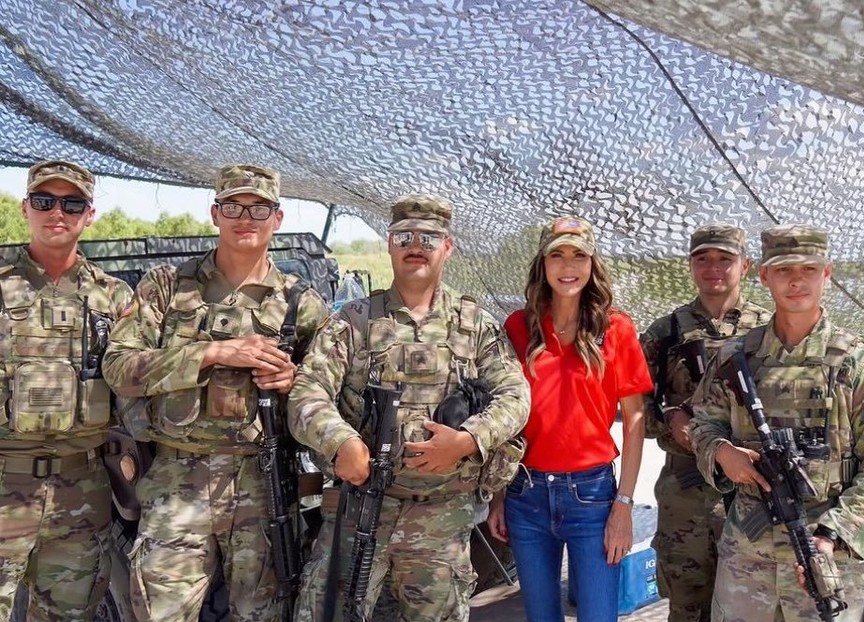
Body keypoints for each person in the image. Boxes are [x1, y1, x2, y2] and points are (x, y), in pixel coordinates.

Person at [102, 164, 329, 621]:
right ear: (215, 214)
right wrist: (212, 353)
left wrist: (293, 381)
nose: (245, 218)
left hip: (263, 481)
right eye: (233, 207)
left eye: (259, 208)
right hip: (176, 477)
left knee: (262, 612)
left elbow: (326, 389)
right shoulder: (167, 287)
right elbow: (119, 367)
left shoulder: (300, 303)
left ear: (277, 219)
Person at [288, 193, 530, 621]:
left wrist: (468, 440)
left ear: (447, 247)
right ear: (389, 244)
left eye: (429, 238)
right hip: (361, 507)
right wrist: (341, 441)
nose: (416, 246)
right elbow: (307, 392)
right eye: (404, 237)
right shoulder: (354, 321)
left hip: (442, 518)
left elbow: (516, 395)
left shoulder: (475, 325)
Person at [688, 224, 864, 621]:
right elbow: (702, 423)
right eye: (784, 269)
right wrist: (722, 452)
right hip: (748, 554)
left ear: (827, 274)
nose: (796, 280)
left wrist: (833, 534)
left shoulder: (858, 364)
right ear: (764, 275)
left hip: (828, 557)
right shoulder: (735, 356)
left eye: (808, 269)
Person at [486, 215, 653, 622]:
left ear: (592, 263)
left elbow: (635, 420)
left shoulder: (616, 328)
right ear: (542, 264)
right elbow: (502, 415)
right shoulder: (519, 327)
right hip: (525, 494)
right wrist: (498, 495)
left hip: (592, 497)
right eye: (557, 255)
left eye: (578, 256)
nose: (568, 266)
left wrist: (623, 506)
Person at [0, 160, 132, 620]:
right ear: (25, 208)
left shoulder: (115, 298)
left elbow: (139, 376)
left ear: (89, 215)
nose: (58, 212)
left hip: (82, 492)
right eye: (44, 201)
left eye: (72, 204)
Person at [640, 224, 771, 622]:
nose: (713, 267)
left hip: (753, 486)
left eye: (724, 259)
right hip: (686, 490)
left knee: (755, 603)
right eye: (703, 259)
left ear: (745, 266)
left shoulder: (769, 330)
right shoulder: (666, 332)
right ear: (691, 265)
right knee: (688, 604)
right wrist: (669, 419)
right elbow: (635, 407)